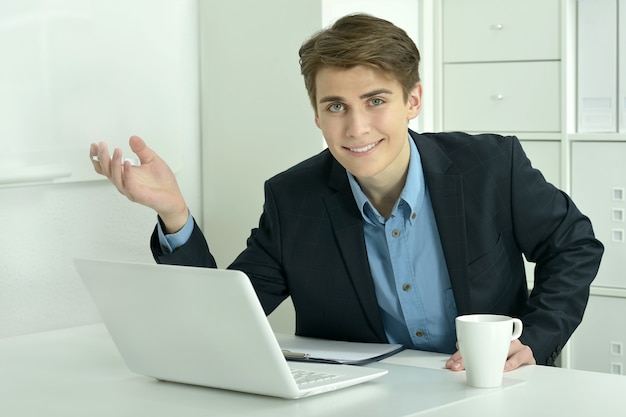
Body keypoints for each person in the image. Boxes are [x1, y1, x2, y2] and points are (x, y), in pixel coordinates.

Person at [90, 13, 603, 371]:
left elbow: (574, 244)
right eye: (335, 106)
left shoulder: (492, 166)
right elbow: (223, 321)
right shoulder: (293, 199)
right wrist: (175, 214)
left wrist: (534, 339)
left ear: (413, 100)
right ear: (316, 113)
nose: (356, 128)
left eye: (375, 100)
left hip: (491, 389)